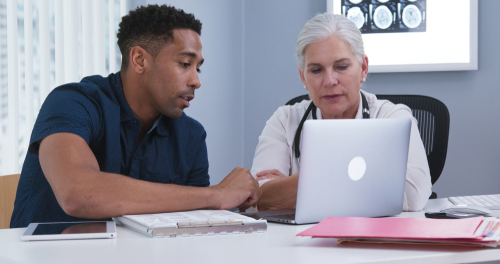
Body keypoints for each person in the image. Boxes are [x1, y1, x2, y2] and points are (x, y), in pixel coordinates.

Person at [10, 4, 260, 228]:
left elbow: (191, 225)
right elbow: (78, 193)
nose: (196, 81)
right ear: (140, 60)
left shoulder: (191, 136)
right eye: (185, 64)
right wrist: (217, 195)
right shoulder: (72, 103)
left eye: (198, 68)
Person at [250, 13, 431, 212]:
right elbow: (258, 197)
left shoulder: (394, 118)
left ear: (363, 68)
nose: (329, 80)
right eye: (316, 70)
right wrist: (369, 180)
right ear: (303, 77)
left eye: (341, 67)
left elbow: (413, 195)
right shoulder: (284, 121)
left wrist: (295, 185)